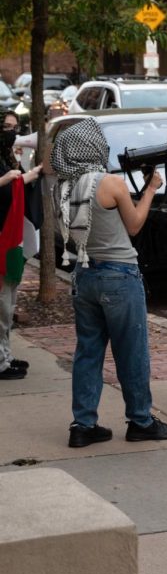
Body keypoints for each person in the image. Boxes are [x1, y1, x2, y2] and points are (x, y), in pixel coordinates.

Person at [52, 120, 167, 447]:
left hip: (84, 274)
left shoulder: (62, 187)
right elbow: (135, 225)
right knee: (131, 352)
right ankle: (140, 420)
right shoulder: (109, 183)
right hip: (119, 276)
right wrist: (150, 189)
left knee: (88, 352)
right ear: (93, 147)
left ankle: (83, 425)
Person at [0, 121, 40, 381]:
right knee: (2, 303)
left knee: (7, 302)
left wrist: (26, 173)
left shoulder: (6, 160)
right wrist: (7, 180)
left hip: (7, 242)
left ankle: (5, 355)